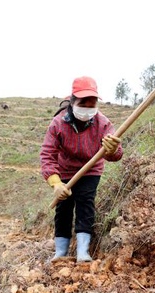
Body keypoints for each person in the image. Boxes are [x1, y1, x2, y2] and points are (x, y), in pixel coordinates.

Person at [40, 76, 123, 262]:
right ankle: (61, 252)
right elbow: (47, 154)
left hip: (91, 170)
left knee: (86, 205)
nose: (87, 109)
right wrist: (55, 183)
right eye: (83, 103)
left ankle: (83, 252)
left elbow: (116, 155)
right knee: (63, 208)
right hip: (64, 171)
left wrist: (113, 150)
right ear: (72, 101)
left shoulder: (103, 124)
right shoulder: (58, 123)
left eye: (92, 104)